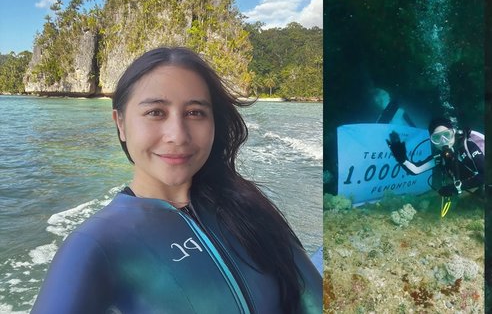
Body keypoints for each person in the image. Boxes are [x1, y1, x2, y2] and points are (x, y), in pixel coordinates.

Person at [32, 47, 322, 314]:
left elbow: (312, 295)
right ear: (120, 123)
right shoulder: (96, 244)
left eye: (195, 113)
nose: (178, 135)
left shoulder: (245, 203)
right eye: (155, 112)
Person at [387, 118, 484, 197]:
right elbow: (415, 170)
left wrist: (455, 188)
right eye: (437, 138)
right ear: (432, 141)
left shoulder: (469, 146)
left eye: (447, 135)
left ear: (453, 133)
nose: (443, 141)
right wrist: (401, 159)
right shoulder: (440, 157)